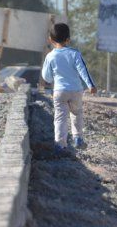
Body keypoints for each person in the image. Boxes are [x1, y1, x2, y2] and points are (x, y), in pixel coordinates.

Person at [41, 23, 97, 153]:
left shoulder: (50, 56)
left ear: (50, 39)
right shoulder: (74, 54)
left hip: (59, 91)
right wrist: (91, 85)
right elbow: (84, 70)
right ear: (68, 39)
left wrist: (51, 79)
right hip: (76, 90)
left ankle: (60, 145)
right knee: (76, 113)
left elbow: (46, 77)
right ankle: (78, 138)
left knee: (60, 117)